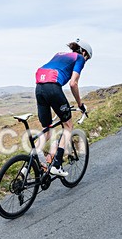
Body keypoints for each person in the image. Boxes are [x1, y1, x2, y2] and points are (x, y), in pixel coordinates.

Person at [33, 39, 92, 177]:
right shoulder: (79, 58)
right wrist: (80, 104)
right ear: (83, 52)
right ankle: (57, 164)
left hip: (39, 87)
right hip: (53, 87)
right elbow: (73, 83)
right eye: (87, 58)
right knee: (68, 126)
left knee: (47, 128)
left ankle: (30, 163)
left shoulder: (59, 54)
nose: (85, 60)